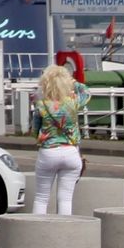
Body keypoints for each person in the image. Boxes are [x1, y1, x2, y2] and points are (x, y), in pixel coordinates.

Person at [32, 62, 91, 215]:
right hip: (71, 152)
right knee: (65, 199)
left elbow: (34, 131)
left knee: (41, 198)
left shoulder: (41, 105)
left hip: (48, 152)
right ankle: (64, 227)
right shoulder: (73, 102)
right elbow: (86, 92)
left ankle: (37, 227)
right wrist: (73, 81)